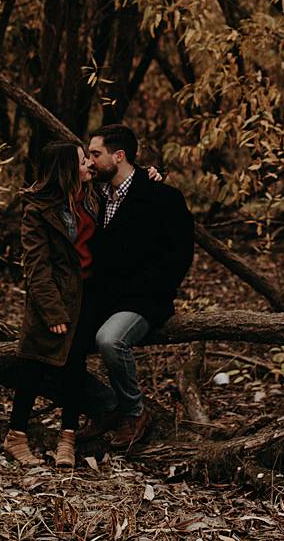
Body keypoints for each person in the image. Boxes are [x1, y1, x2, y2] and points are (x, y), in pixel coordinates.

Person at [81, 123, 194, 450]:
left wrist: (155, 290)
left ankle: (133, 412)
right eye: (88, 155)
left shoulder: (162, 196)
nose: (90, 161)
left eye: (95, 154)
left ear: (118, 156)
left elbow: (180, 255)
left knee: (110, 339)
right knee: (60, 348)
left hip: (144, 300)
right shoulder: (96, 195)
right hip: (101, 298)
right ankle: (104, 407)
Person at [4, 141, 99, 469]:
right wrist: (53, 311)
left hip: (85, 297)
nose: (89, 164)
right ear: (67, 169)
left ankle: (67, 438)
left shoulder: (91, 198)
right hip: (53, 300)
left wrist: (153, 174)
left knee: (75, 366)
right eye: (83, 160)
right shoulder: (37, 209)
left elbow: (128, 178)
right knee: (34, 364)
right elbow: (36, 265)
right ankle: (15, 435)